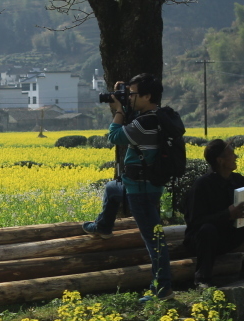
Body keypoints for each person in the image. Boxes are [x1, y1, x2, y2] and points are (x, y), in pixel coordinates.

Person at [82, 73, 172, 302]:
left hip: (141, 191)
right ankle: (103, 226)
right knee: (112, 188)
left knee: (154, 240)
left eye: (133, 94)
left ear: (147, 96)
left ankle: (162, 289)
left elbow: (114, 136)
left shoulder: (144, 123)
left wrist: (119, 110)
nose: (129, 97)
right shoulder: (157, 117)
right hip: (144, 184)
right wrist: (123, 100)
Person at [184, 140, 244, 287]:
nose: (236, 157)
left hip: (228, 235)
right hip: (202, 240)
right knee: (207, 229)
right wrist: (228, 214)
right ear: (220, 160)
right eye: (231, 154)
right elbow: (195, 221)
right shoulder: (202, 185)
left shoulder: (238, 180)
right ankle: (202, 279)